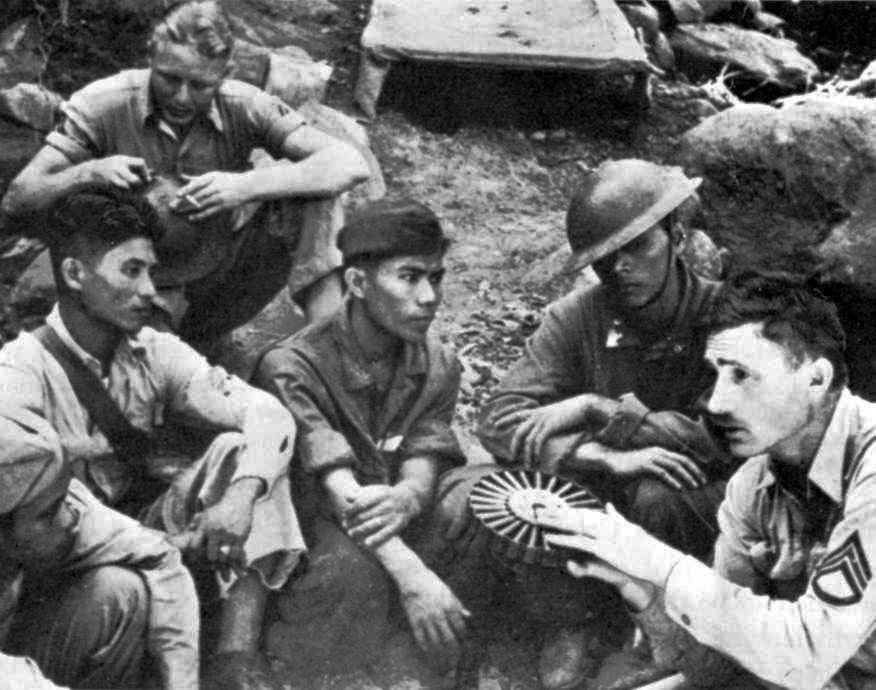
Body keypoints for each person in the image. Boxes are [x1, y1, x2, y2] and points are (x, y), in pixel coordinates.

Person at [0, 186, 300, 688]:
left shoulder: (152, 350)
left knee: (241, 451)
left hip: (136, 531)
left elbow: (269, 413)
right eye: (130, 271)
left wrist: (241, 498)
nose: (150, 292)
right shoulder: (18, 377)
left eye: (151, 272)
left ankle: (234, 657)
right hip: (52, 573)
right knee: (120, 589)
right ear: (75, 274)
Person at [543, 271, 876, 690]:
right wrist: (636, 585)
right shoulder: (754, 486)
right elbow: (723, 663)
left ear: (816, 378)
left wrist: (646, 554)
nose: (716, 402)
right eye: (715, 373)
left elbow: (803, 653)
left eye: (741, 375)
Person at [477, 158, 733, 688]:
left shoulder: (723, 315)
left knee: (655, 494)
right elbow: (500, 421)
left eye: (638, 246)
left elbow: (720, 435)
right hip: (609, 490)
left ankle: (668, 635)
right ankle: (575, 622)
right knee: (515, 492)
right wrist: (595, 455)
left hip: (703, 503)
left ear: (677, 236)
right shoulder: (578, 317)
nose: (621, 268)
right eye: (605, 258)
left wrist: (600, 409)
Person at [1, 0, 370, 346]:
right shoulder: (104, 102)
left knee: (316, 196)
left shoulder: (243, 103)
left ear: (224, 74)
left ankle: (328, 351)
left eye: (200, 86)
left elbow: (349, 163)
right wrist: (89, 172)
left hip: (217, 271)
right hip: (124, 282)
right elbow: (18, 200)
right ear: (151, 57)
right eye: (168, 78)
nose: (181, 97)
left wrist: (244, 186)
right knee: (129, 365)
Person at [254, 199, 509, 682]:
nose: (429, 296)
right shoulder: (291, 367)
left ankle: (444, 655)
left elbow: (425, 449)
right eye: (409, 277)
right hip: (321, 531)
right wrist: (413, 576)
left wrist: (410, 497)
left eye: (436, 278)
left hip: (391, 519)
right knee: (353, 573)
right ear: (355, 283)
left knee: (486, 494)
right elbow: (335, 485)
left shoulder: (437, 361)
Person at [0, 406, 199, 689]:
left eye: (63, 499)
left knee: (119, 590)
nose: (69, 519)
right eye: (47, 514)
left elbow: (160, 557)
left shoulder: (54, 497)